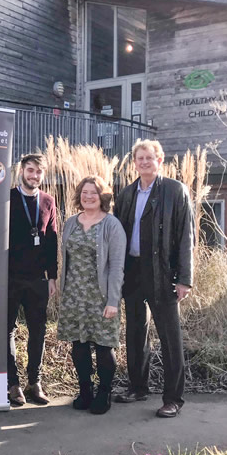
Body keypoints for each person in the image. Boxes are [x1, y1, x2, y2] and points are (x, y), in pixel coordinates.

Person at [113, 139, 194, 418]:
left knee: (170, 337)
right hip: (132, 271)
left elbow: (186, 237)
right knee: (135, 332)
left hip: (162, 273)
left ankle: (173, 398)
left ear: (159, 160)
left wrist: (184, 278)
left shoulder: (175, 191)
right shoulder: (125, 195)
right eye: (140, 158)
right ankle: (138, 387)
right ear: (134, 163)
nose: (144, 162)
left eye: (149, 158)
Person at [57, 176, 126, 414]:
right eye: (84, 192)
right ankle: (84, 389)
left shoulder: (112, 225)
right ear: (79, 195)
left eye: (93, 193)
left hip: (101, 296)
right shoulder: (71, 223)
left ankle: (104, 393)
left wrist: (113, 301)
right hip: (74, 293)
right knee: (79, 344)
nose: (88, 196)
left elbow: (117, 266)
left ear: (102, 196)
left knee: (104, 345)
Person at [7, 154, 58, 406]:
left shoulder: (48, 201)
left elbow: (52, 240)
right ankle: (13, 384)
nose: (34, 175)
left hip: (38, 279)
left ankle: (34, 382)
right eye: (30, 170)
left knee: (38, 330)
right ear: (22, 171)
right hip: (10, 277)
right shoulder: (8, 198)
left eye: (39, 172)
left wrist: (53, 276)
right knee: (8, 330)